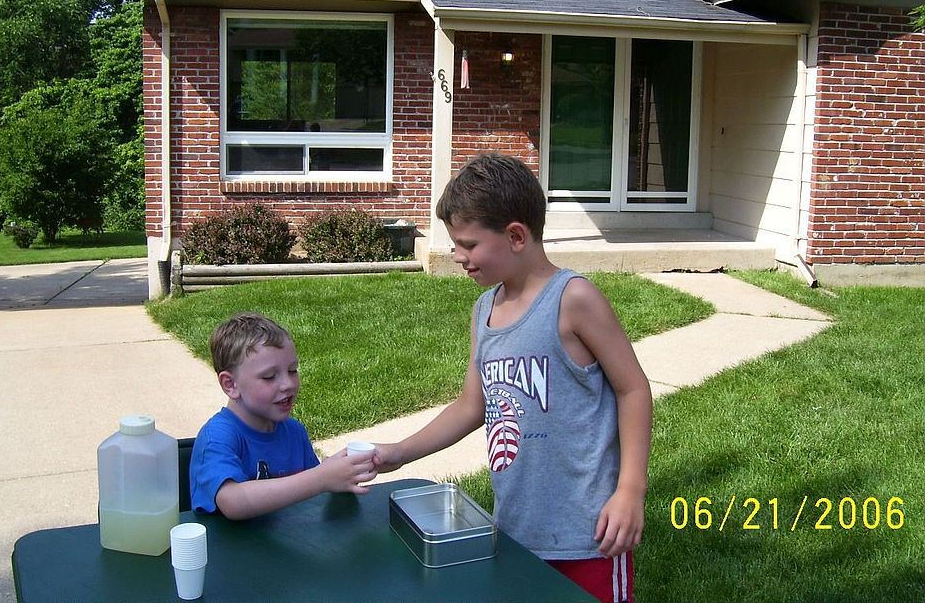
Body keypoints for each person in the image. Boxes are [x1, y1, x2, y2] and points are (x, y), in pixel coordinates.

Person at [374, 152, 652, 603]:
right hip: (517, 531)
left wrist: (630, 491)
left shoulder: (572, 298)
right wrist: (401, 452)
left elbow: (633, 388)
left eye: (467, 244)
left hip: (591, 534)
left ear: (516, 236)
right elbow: (471, 405)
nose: (457, 256)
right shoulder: (485, 310)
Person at [190, 312, 376, 519]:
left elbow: (313, 493)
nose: (288, 384)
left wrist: (340, 474)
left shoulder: (294, 431)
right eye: (269, 377)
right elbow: (233, 502)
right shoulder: (218, 437)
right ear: (230, 385)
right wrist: (322, 478)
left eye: (293, 370)